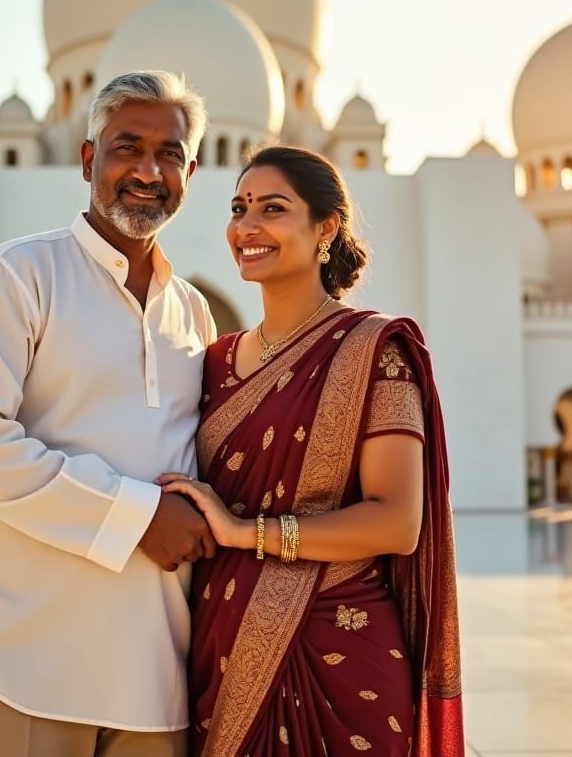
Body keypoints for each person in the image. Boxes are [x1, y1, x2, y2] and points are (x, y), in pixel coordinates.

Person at [0, 70, 218, 757]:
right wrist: (138, 516)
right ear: (89, 158)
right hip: (24, 664)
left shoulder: (194, 313)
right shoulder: (16, 276)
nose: (148, 171)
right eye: (127, 147)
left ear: (191, 172)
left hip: (156, 677)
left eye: (169, 154)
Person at [159, 146, 464, 757]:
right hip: (221, 650)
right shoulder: (213, 362)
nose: (247, 226)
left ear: (326, 226)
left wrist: (246, 533)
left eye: (273, 209)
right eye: (239, 207)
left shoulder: (375, 350)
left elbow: (398, 523)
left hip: (341, 657)